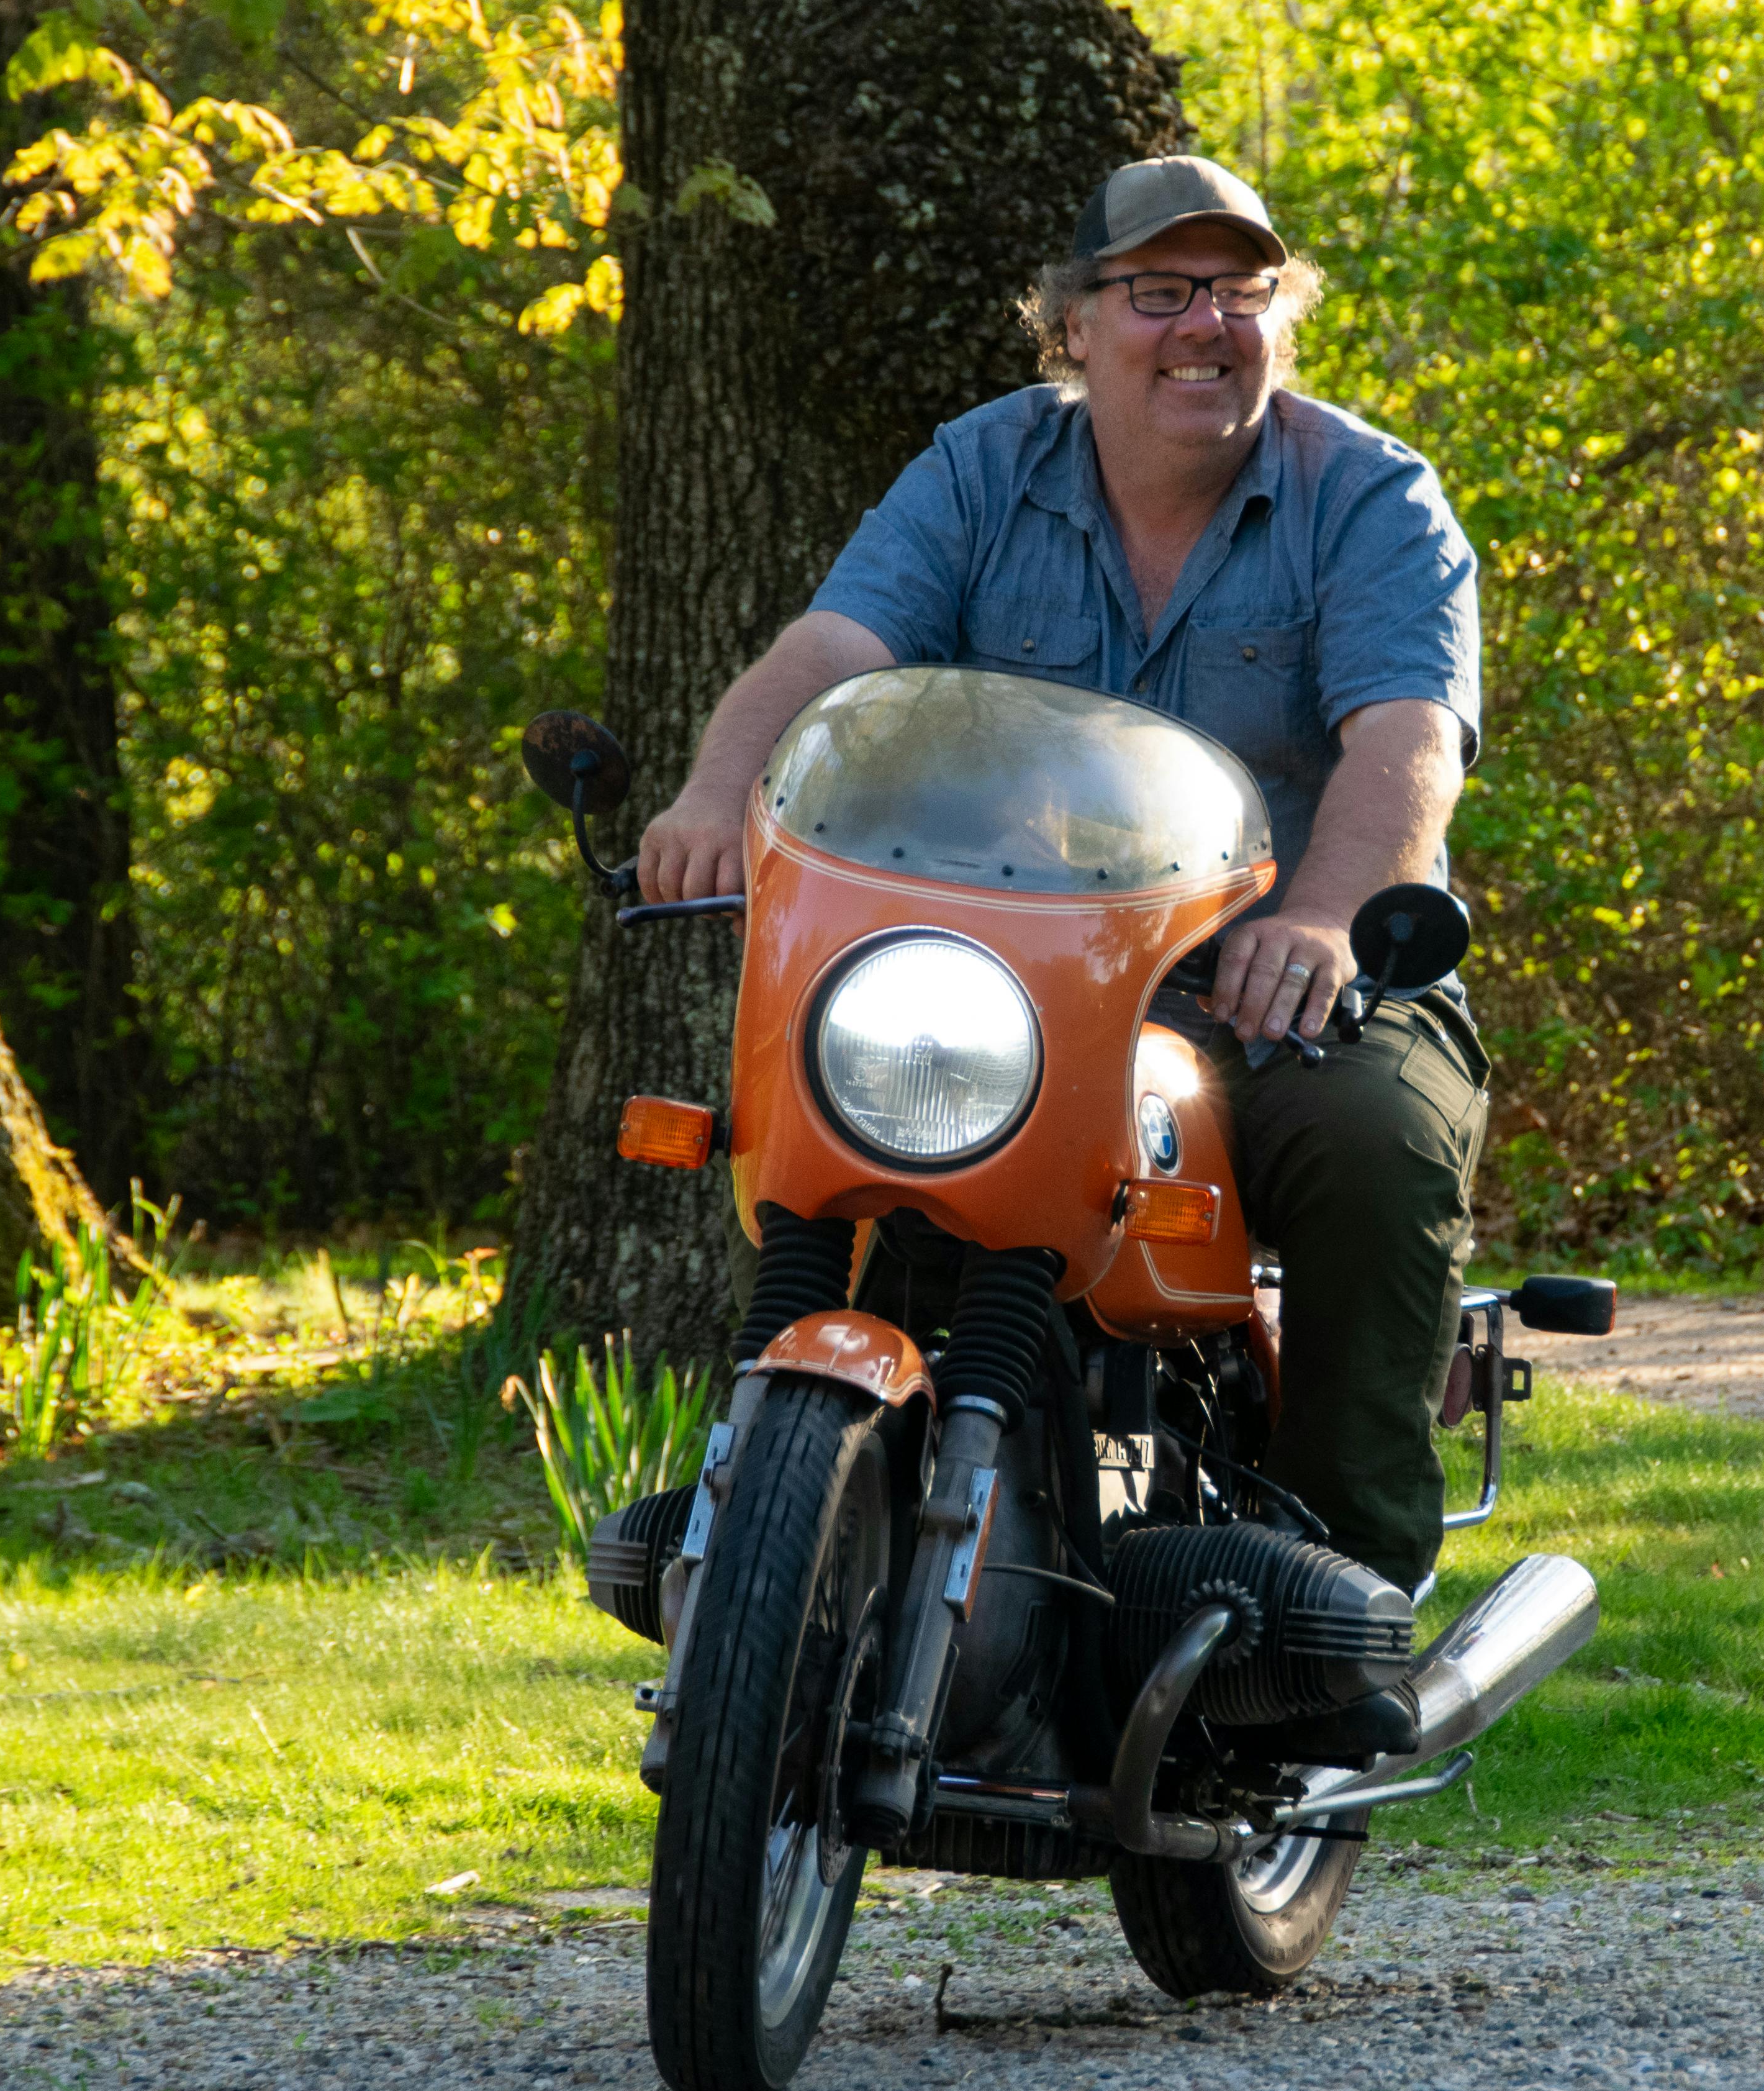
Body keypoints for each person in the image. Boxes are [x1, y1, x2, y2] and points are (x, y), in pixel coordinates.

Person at [636, 155, 1490, 1590]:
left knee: (1373, 1141)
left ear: (1282, 321)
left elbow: (1405, 740)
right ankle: (802, 1527)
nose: (1205, 324)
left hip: (1278, 979)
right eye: (1160, 290)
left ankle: (1346, 1583)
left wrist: (1333, 916)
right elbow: (838, 653)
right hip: (1025, 988)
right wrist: (718, 793)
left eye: (1241, 290)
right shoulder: (981, 468)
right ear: (1075, 324)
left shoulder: (1372, 495)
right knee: (841, 1134)